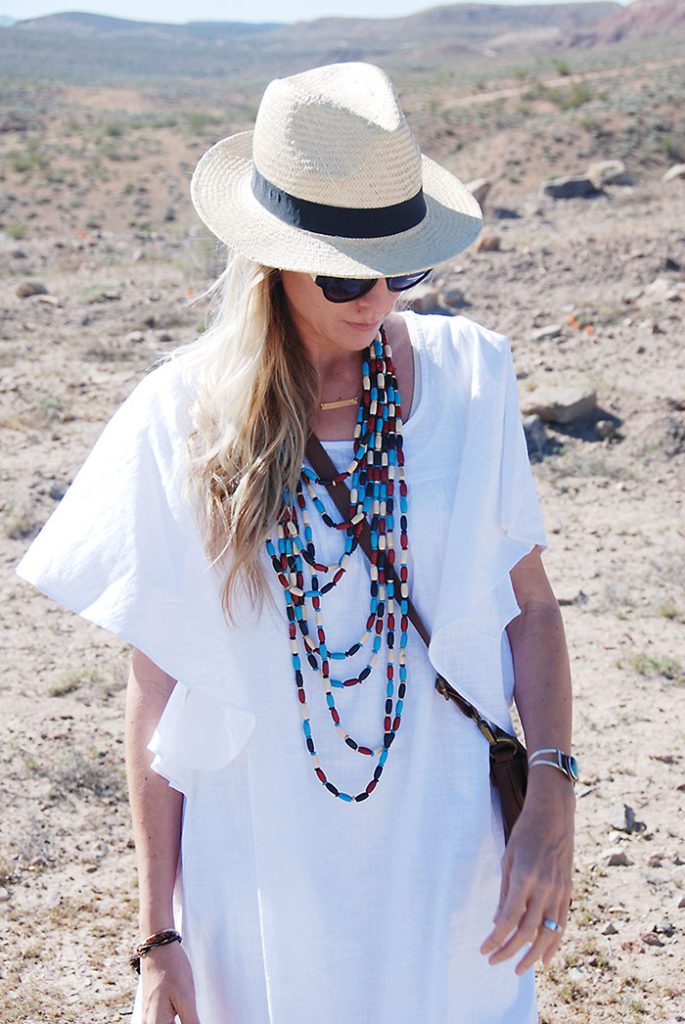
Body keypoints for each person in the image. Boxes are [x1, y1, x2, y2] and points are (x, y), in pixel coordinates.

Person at [17, 62, 575, 1024]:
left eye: (403, 269)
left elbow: (528, 608)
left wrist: (552, 794)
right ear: (272, 257)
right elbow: (156, 689)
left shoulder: (472, 378)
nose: (378, 302)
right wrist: (160, 939)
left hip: (446, 852)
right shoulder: (182, 418)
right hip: (260, 855)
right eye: (346, 274)